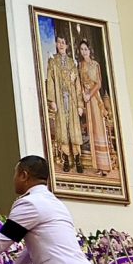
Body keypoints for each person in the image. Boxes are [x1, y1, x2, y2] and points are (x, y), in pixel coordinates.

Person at [46, 35, 84, 173]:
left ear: (67, 46)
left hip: (72, 100)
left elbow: (77, 84)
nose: (61, 45)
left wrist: (79, 104)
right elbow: (50, 81)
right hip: (60, 100)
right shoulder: (53, 62)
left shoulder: (72, 63)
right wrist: (52, 100)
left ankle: (78, 159)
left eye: (63, 43)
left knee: (74, 129)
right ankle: (66, 159)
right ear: (56, 44)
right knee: (62, 129)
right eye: (59, 42)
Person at [78, 39, 112, 177]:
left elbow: (98, 84)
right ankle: (97, 165)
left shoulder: (95, 64)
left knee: (99, 129)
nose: (84, 52)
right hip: (86, 99)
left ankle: (105, 166)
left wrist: (89, 95)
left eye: (85, 49)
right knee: (92, 130)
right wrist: (83, 94)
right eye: (82, 49)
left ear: (89, 50)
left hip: (94, 97)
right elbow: (80, 83)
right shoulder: (80, 65)